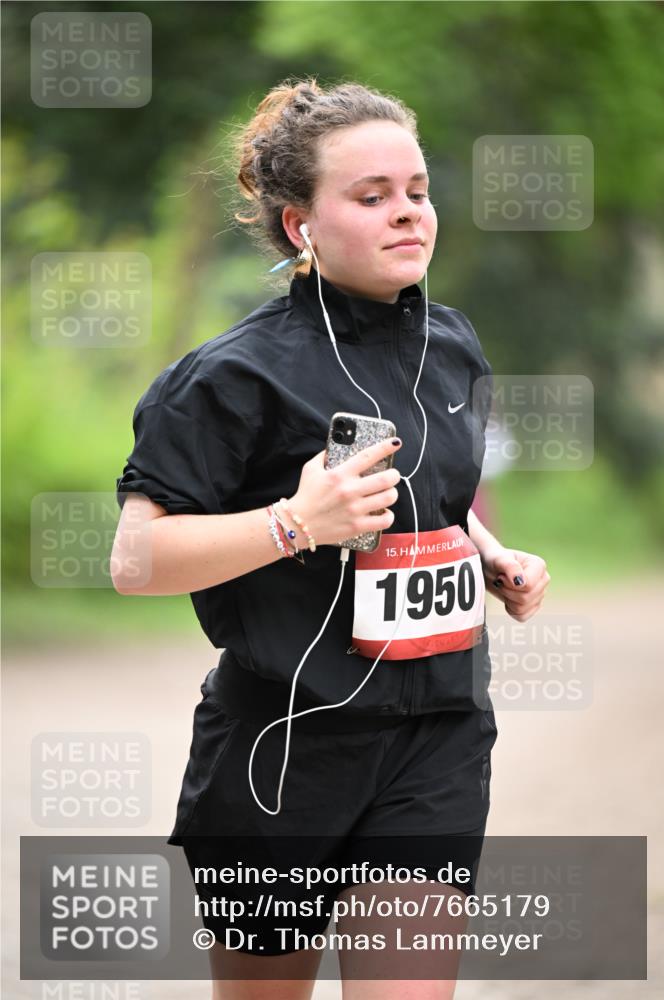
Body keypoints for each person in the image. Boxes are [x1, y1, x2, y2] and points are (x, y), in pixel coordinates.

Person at [112, 77, 550, 1000]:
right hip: (280, 750)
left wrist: (487, 554)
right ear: (299, 225)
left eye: (417, 191)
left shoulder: (451, 344)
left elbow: (430, 490)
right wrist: (295, 523)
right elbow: (136, 560)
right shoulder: (229, 376)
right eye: (371, 196)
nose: (408, 213)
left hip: (435, 735)